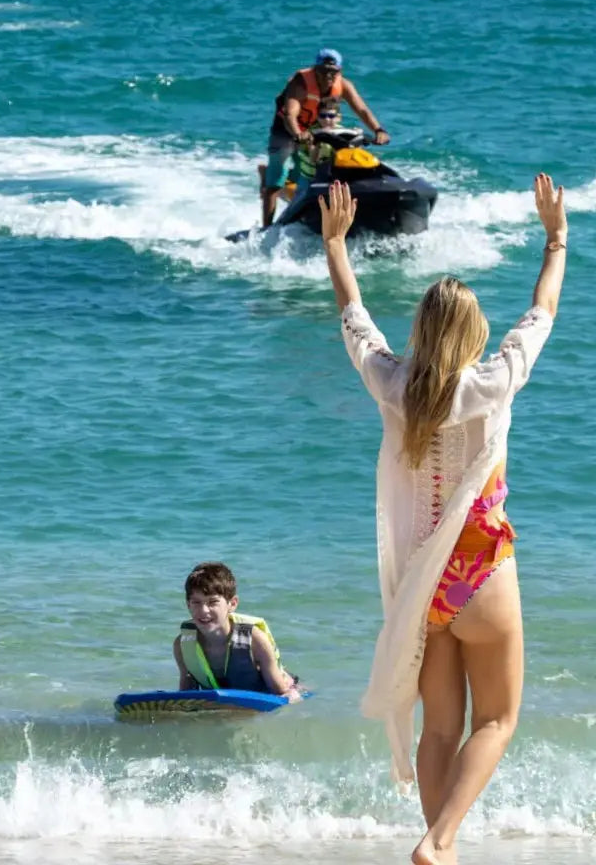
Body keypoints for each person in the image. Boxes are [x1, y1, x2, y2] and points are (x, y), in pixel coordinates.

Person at [319, 175, 567, 865]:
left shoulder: (393, 386)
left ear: (423, 330)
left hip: (425, 589)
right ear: (473, 332)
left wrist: (336, 245)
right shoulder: (494, 381)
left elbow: (354, 317)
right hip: (481, 567)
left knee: (440, 731)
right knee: (498, 718)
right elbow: (543, 308)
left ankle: (440, 850)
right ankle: (440, 840)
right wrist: (556, 237)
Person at [263, 48, 390, 227]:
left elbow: (362, 109)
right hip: (287, 130)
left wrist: (379, 130)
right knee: (276, 180)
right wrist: (298, 133)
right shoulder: (301, 83)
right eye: (323, 71)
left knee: (309, 171)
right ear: (316, 69)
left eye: (333, 71)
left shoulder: (344, 85)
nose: (328, 75)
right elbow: (291, 114)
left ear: (339, 71)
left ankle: (304, 205)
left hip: (315, 130)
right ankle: (266, 228)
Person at [173, 562, 301, 701]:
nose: (204, 610)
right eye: (196, 602)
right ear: (188, 605)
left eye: (213, 602)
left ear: (232, 604)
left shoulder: (255, 640)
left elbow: (281, 693)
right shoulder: (182, 645)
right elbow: (186, 695)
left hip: (269, 692)